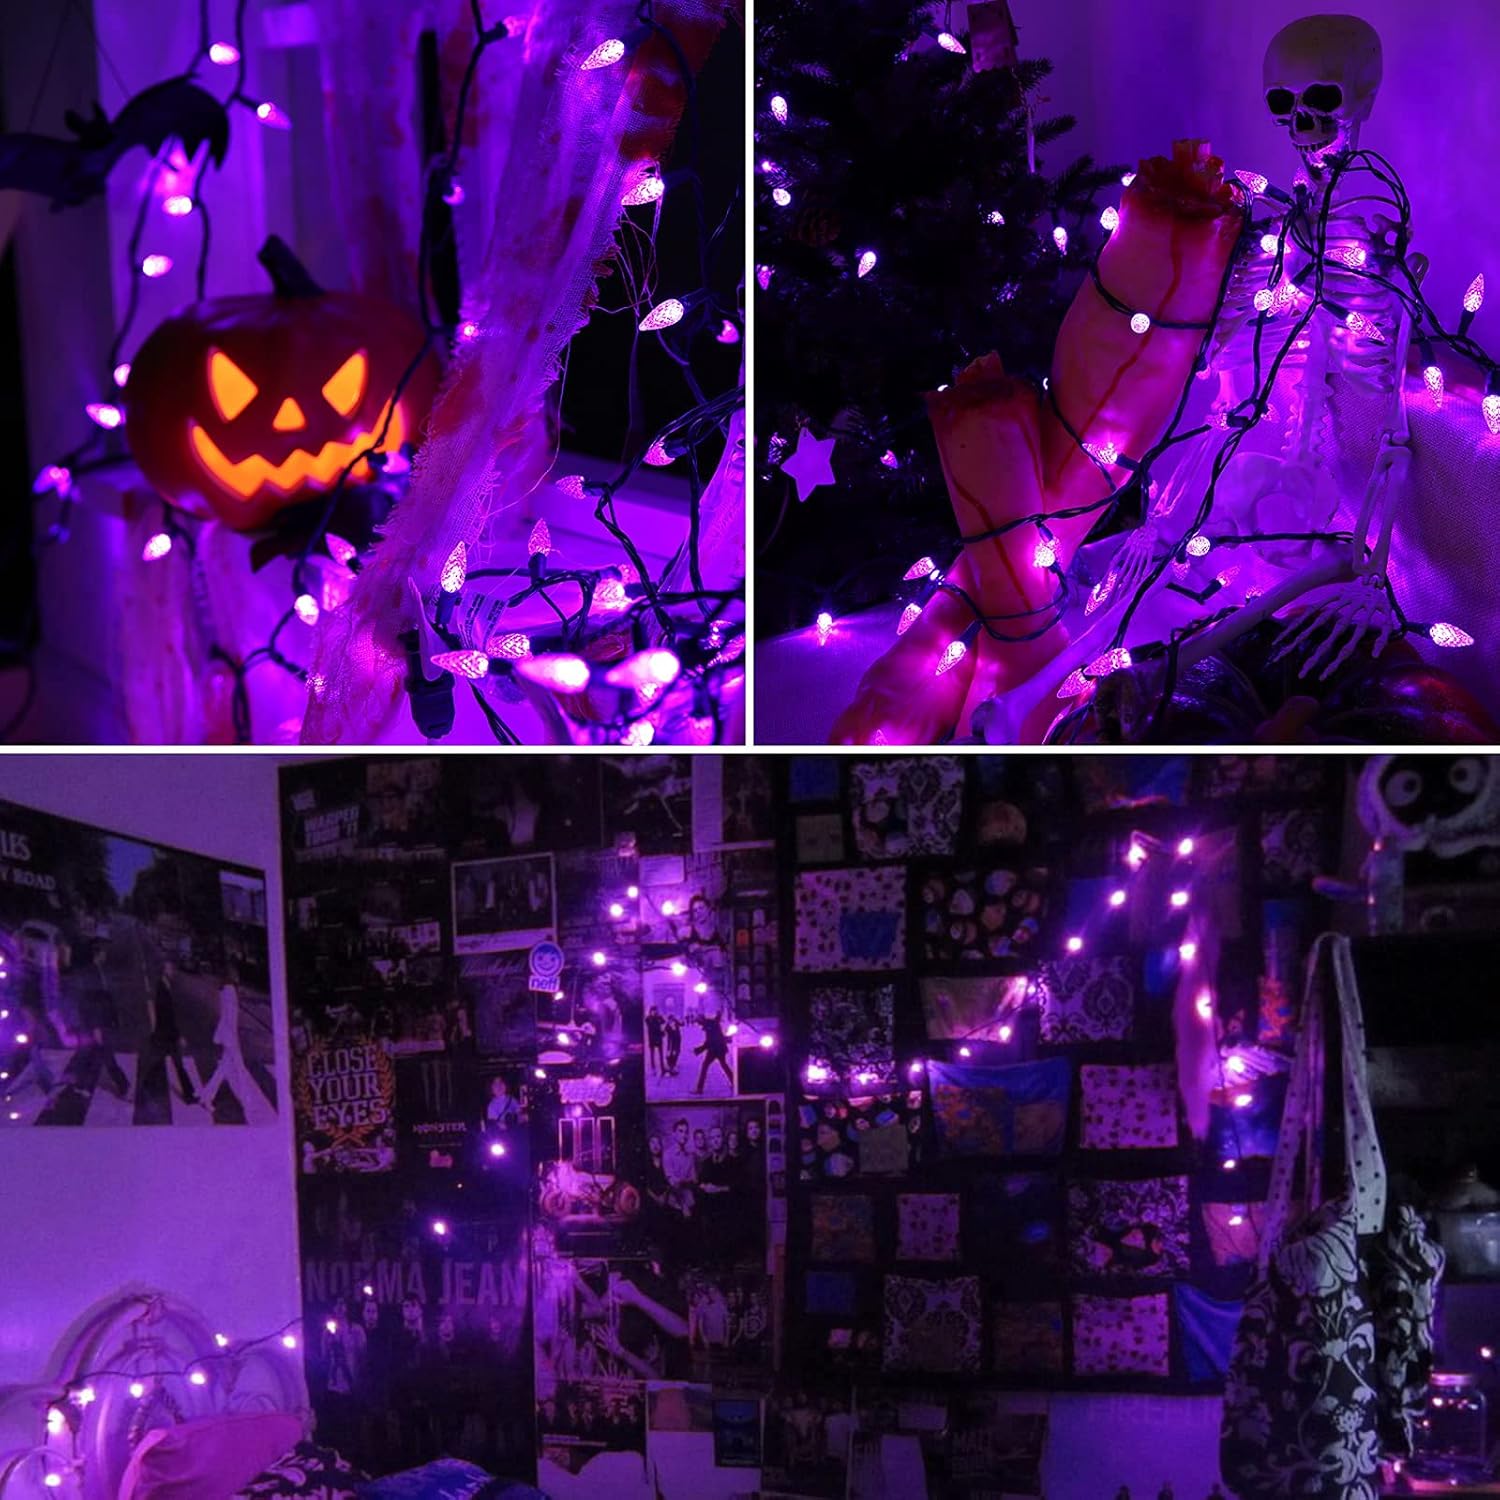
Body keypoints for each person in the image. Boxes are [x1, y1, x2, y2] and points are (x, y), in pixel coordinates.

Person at [198, 964, 257, 1118]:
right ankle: (248, 1103)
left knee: (223, 1070)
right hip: (230, 1037)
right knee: (240, 1069)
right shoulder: (229, 990)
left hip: (228, 1036)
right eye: (235, 974)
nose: (238, 977)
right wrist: (232, 1040)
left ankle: (206, 1097)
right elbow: (229, 1017)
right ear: (231, 976)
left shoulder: (226, 989)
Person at [144, 959, 198, 1105]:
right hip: (165, 1036)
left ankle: (189, 1095)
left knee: (173, 1066)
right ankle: (188, 1095)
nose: (172, 971)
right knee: (164, 1065)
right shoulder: (162, 989)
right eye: (170, 969)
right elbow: (167, 1016)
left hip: (166, 1035)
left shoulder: (166, 986)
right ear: (164, 971)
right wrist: (178, 1035)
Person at [78, 943, 128, 1097]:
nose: (105, 955)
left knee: (97, 1054)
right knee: (104, 1055)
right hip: (99, 1022)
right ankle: (123, 1084)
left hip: (104, 1021)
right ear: (97, 954)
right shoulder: (91, 973)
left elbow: (106, 998)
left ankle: (86, 1086)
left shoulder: (99, 971)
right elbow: (93, 1002)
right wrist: (96, 1027)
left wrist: (115, 1018)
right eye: (103, 953)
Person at [693, 1011, 734, 1095]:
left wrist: (699, 1050)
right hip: (720, 1048)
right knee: (724, 1065)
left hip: (715, 1050)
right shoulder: (710, 1024)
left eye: (698, 1022)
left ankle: (699, 1089)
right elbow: (716, 1021)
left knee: (705, 1066)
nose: (699, 1024)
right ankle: (735, 1082)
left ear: (701, 1020)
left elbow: (709, 1041)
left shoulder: (709, 1026)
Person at [645, 1007, 666, 1077]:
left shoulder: (659, 1017)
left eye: (656, 1011)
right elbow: (653, 1027)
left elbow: (664, 1022)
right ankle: (653, 1068)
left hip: (659, 1039)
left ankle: (662, 1067)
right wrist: (661, 1032)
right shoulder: (648, 1019)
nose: (654, 1012)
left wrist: (660, 1016)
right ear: (650, 1011)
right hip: (652, 1039)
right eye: (653, 1011)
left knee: (661, 1054)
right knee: (652, 1054)